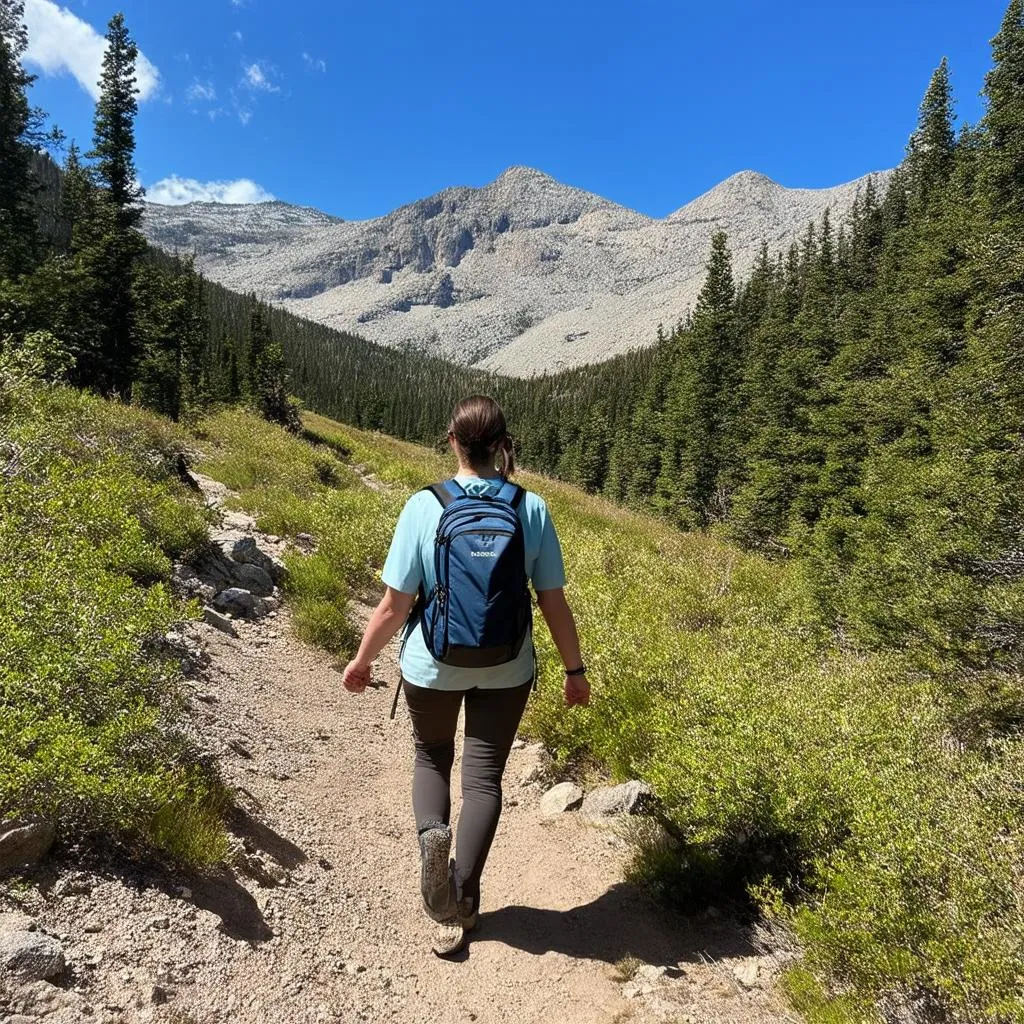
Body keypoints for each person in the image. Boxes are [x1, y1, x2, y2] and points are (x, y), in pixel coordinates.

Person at [341, 394, 590, 956]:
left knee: (431, 755)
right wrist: (574, 671)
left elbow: (393, 606)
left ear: (452, 440)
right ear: (503, 445)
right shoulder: (531, 508)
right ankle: (464, 898)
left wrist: (362, 660)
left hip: (433, 663)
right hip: (508, 667)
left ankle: (432, 836)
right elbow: (552, 601)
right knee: (484, 781)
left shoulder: (423, 507)